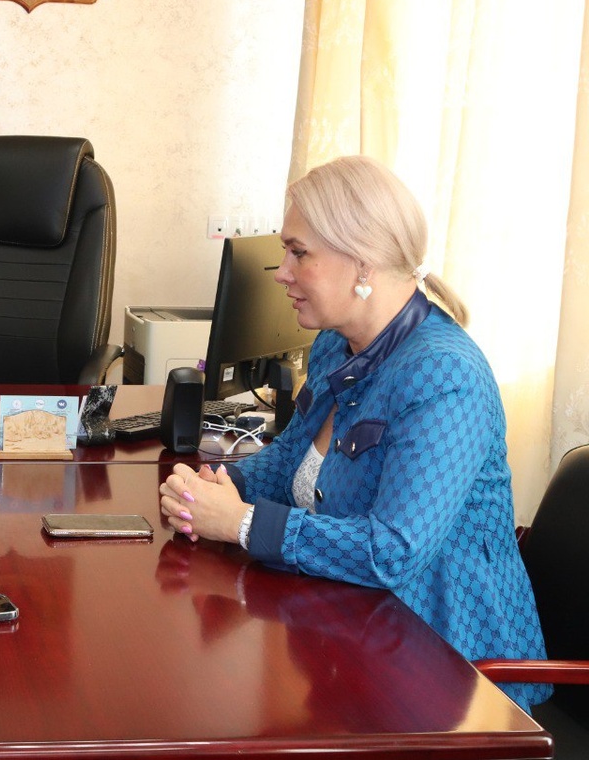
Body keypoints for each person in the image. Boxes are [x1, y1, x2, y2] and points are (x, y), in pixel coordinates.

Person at [158, 155, 549, 711]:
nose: (281, 273)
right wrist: (215, 485)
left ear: (361, 263)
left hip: (450, 669)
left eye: (298, 253)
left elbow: (393, 550)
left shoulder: (445, 376)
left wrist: (241, 523)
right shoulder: (334, 345)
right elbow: (290, 458)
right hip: (357, 634)